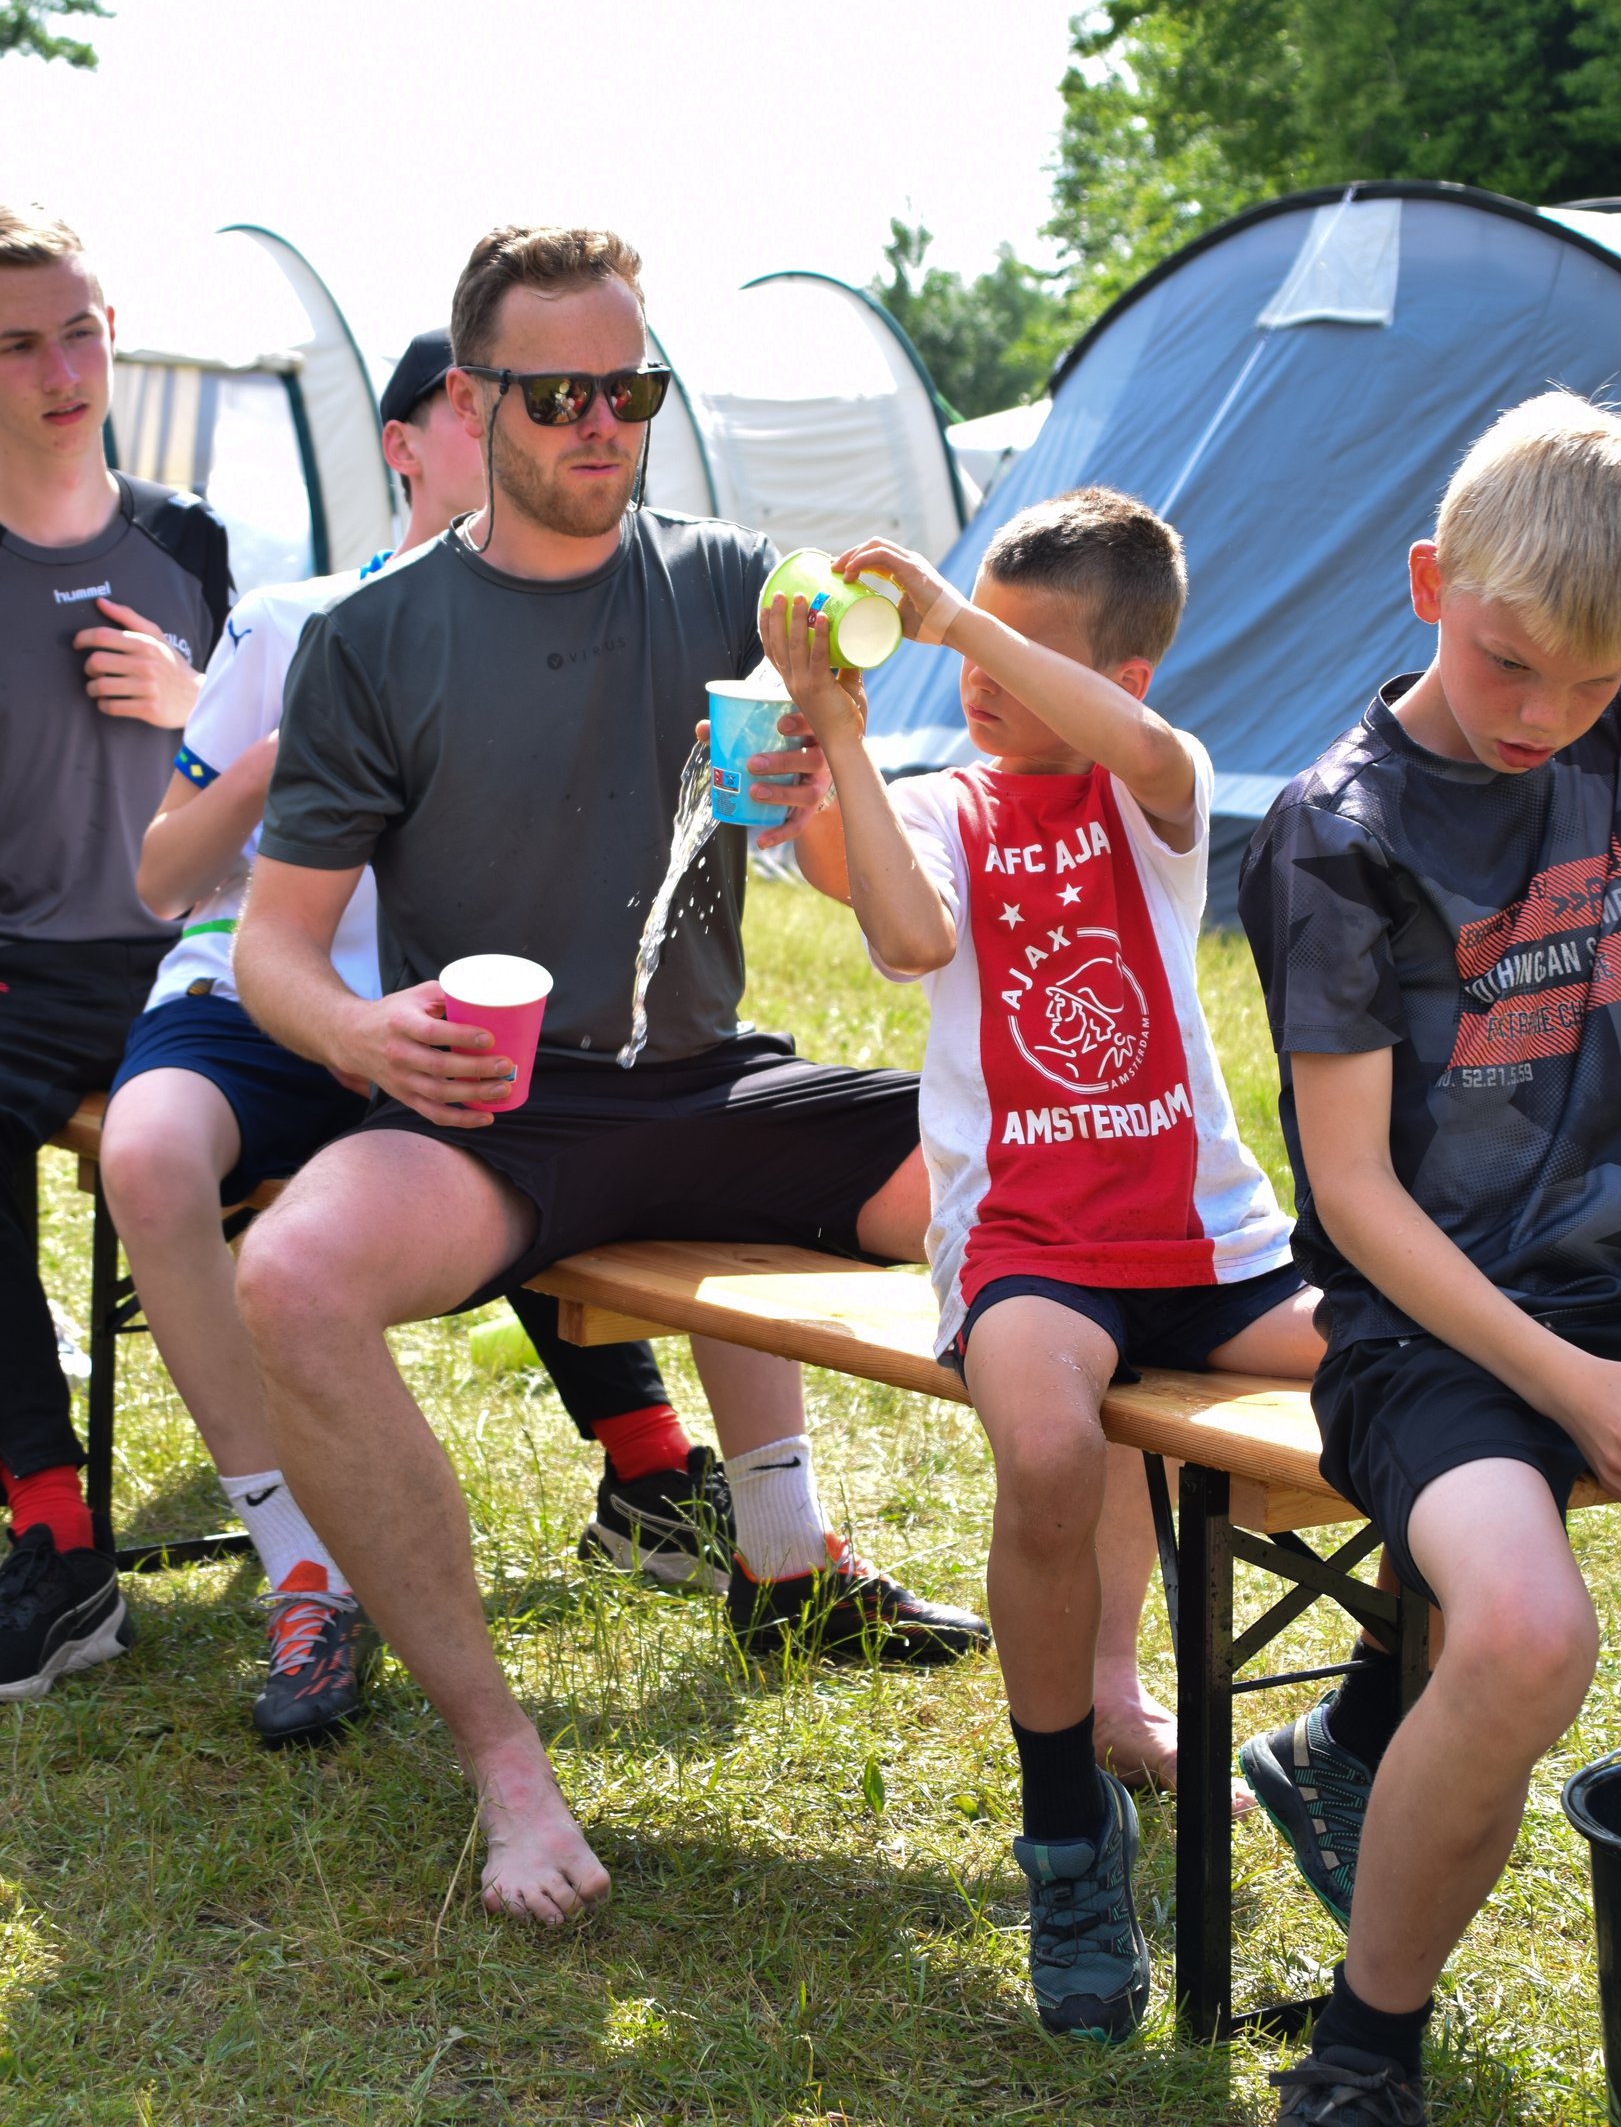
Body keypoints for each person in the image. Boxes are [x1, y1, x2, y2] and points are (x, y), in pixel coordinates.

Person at [229, 223, 988, 1921]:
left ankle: (1085, 1710)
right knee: (288, 1276)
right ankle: (508, 1767)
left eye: (629, 390)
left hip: (709, 1084)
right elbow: (273, 945)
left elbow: (855, 882)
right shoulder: (375, 638)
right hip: (499, 1112)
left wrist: (823, 762)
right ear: (472, 402)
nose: (601, 424)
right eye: (559, 393)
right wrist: (358, 1034)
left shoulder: (733, 588)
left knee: (1052, 1180)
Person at [99, 328, 722, 1743]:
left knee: (680, 1077)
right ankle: (301, 1563)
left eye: (589, 398)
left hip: (449, 1010)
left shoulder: (577, 625)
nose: (541, 424)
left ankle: (741, 1519)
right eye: (487, 402)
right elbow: (164, 879)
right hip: (264, 1003)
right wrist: (307, 733)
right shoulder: (291, 620)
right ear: (407, 444)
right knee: (146, 1156)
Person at [759, 489, 1308, 2044]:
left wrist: (950, 618)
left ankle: (1344, 1750)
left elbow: (1149, 750)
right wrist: (838, 735)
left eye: (1015, 650)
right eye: (969, 643)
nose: (977, 675)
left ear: (1117, 675)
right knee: (1054, 1448)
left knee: (1439, 1384)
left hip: (1211, 1242)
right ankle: (1068, 1836)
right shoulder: (951, 801)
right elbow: (909, 941)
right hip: (1030, 1247)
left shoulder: (1156, 786)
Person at [1236, 395, 1621, 2125]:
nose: (1545, 717)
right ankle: (1364, 2051)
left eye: (1591, 682)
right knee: (1519, 1635)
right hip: (1425, 1320)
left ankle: (1361, 1729)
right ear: (1434, 582)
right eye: (1511, 666)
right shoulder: (1337, 830)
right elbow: (1358, 1199)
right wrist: (1582, 1395)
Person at [0, 205, 231, 1700]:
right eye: (20, 344)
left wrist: (193, 699)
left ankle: (647, 1464)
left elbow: (292, 752)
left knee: (455, 1067)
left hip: (195, 956)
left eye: (79, 332)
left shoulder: (187, 540)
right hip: (27, 965)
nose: (61, 371)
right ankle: (59, 1541)